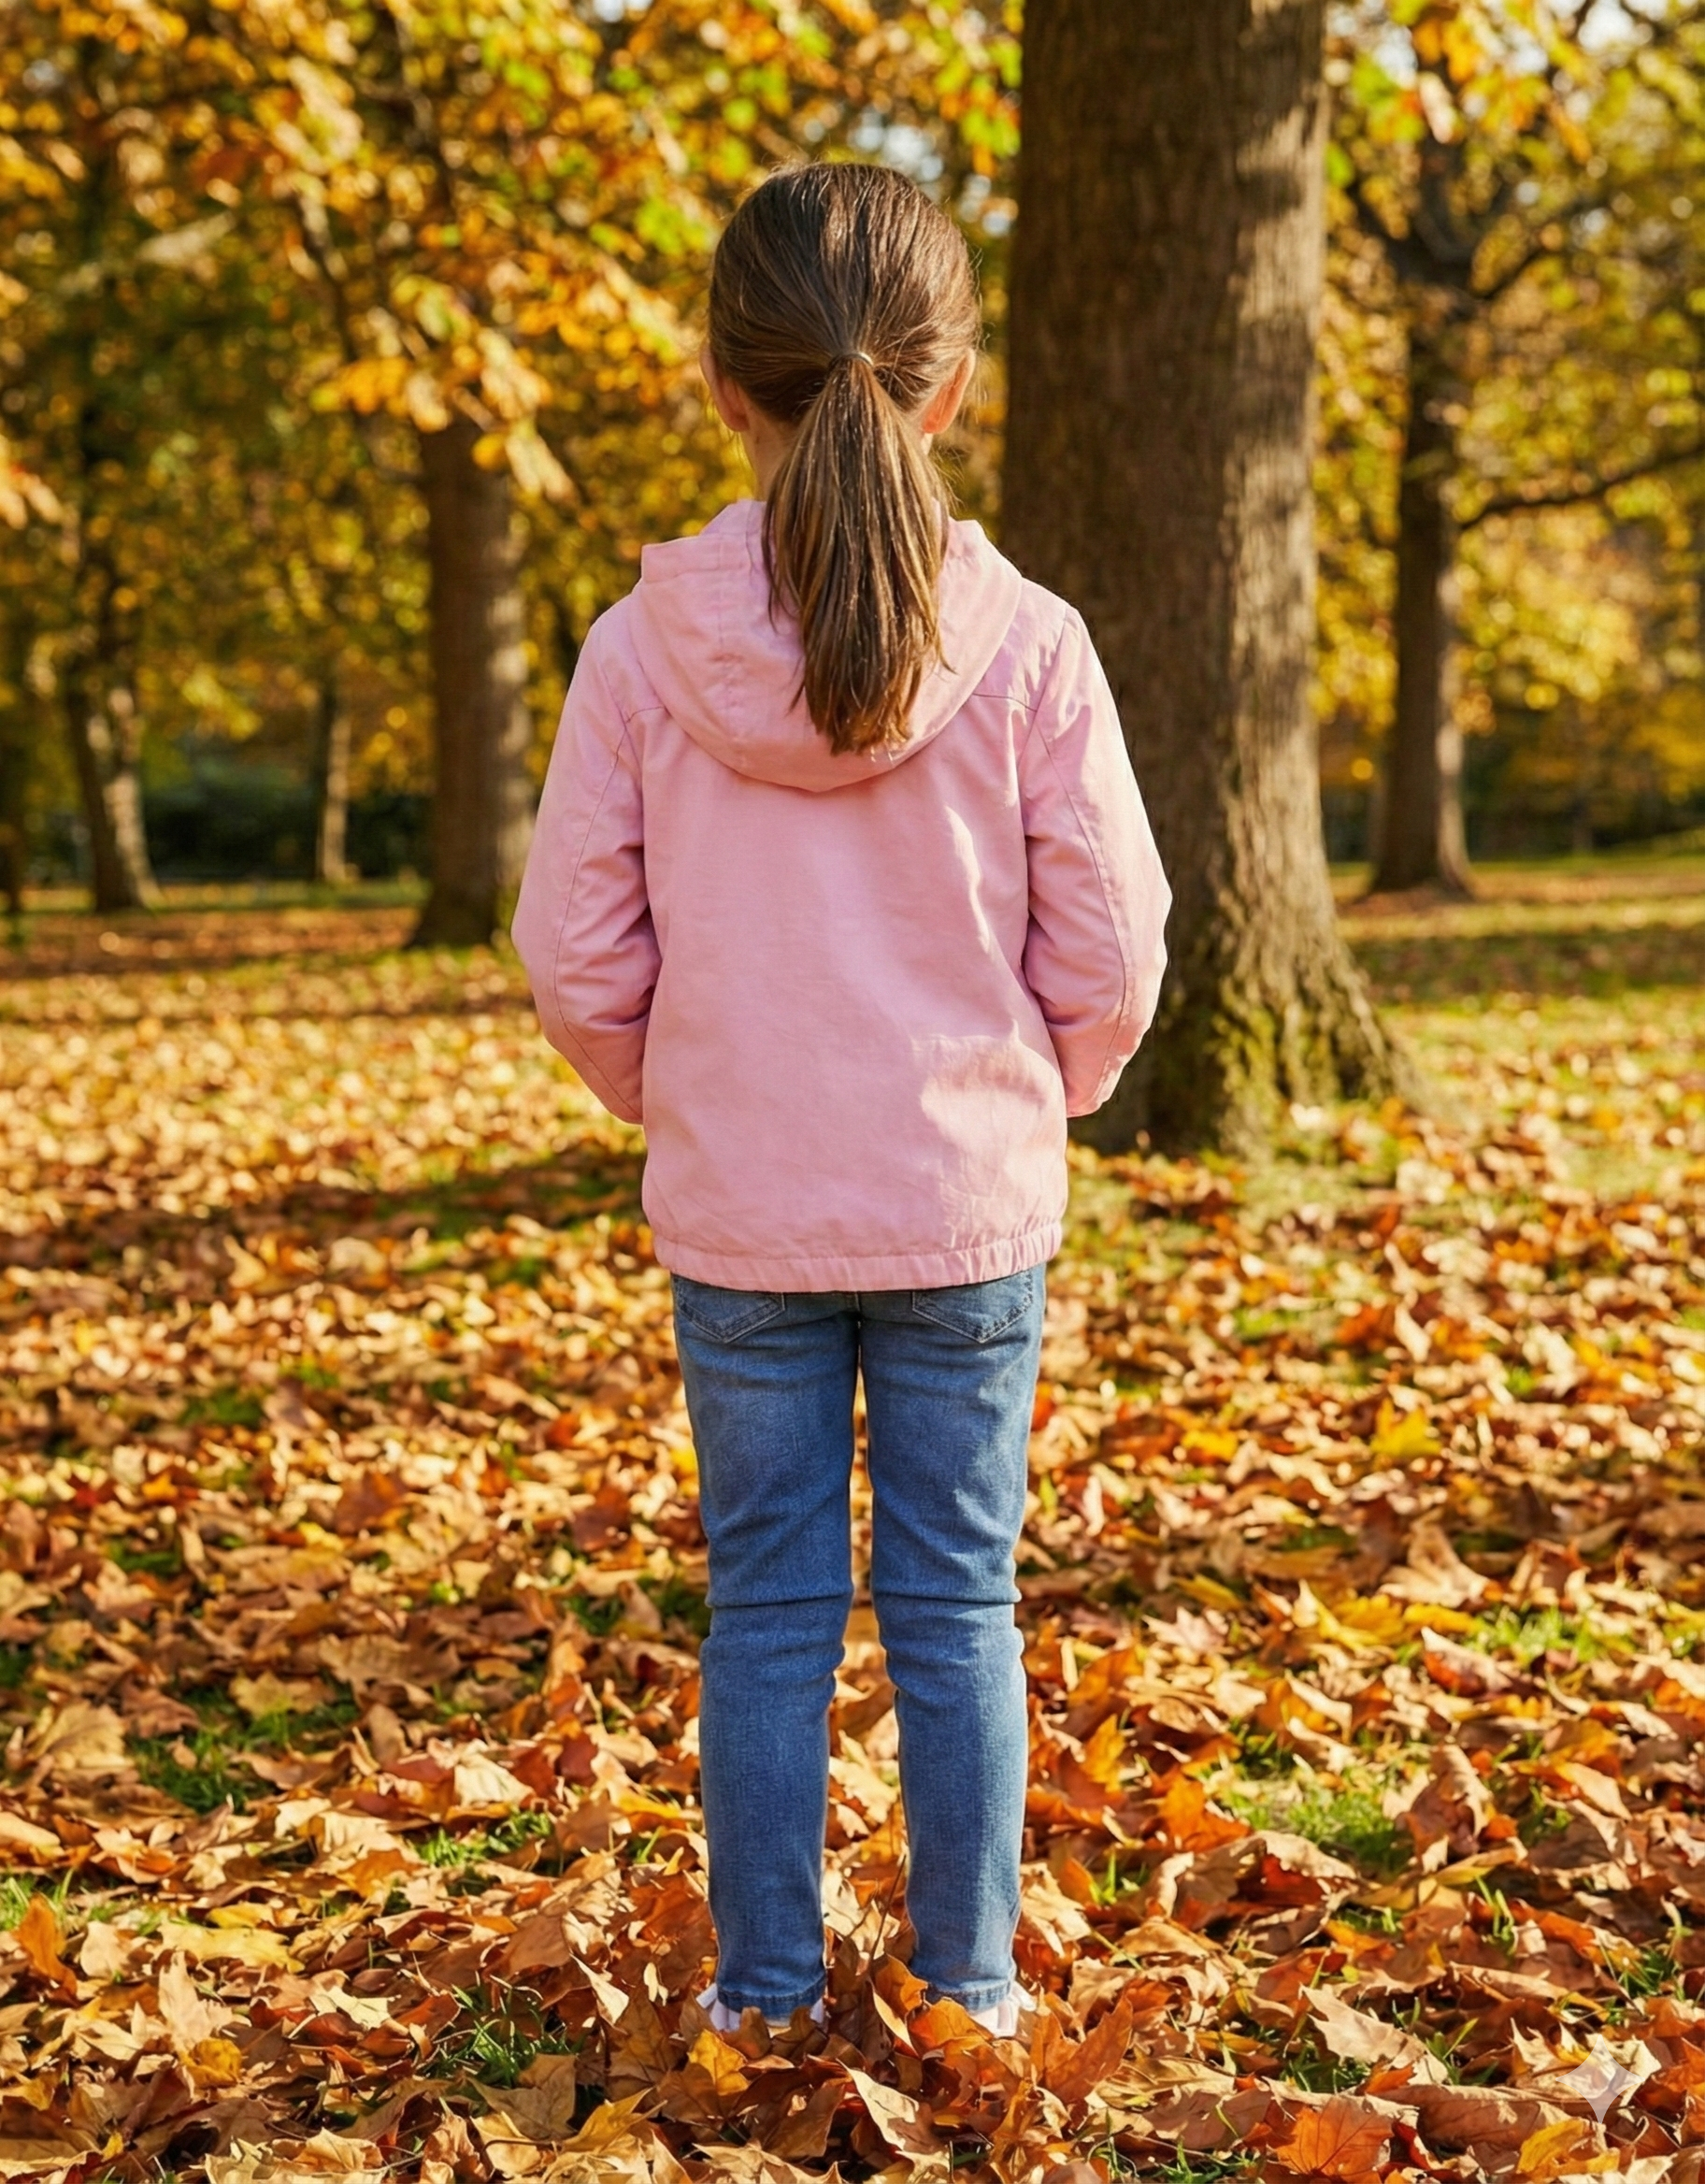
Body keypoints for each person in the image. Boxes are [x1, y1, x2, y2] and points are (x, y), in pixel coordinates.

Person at [513, 162, 1170, 2039]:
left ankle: (767, 2003)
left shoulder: (643, 652)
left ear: (726, 384)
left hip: (742, 1219)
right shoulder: (1029, 646)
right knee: (960, 1609)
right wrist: (1049, 1094)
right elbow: (1114, 946)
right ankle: (971, 1995)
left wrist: (684, 1097)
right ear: (947, 387)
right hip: (965, 1209)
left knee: (775, 1618)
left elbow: (573, 954)